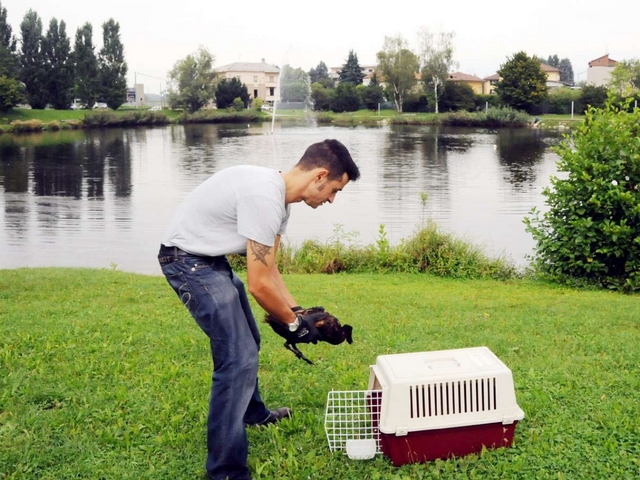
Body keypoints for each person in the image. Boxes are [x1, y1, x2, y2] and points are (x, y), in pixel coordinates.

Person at [157, 139, 360, 480]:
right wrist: (295, 326)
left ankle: (254, 414)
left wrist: (296, 310)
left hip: (209, 262)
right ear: (321, 176)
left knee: (249, 341)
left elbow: (270, 271)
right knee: (237, 358)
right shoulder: (265, 196)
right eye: (335, 190)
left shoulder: (280, 201)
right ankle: (225, 472)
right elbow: (258, 285)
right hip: (188, 263)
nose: (331, 200)